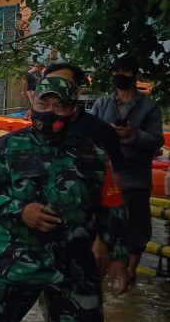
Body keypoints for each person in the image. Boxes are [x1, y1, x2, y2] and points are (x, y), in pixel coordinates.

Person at [0, 77, 130, 322]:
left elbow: (111, 206)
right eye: (44, 103)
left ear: (73, 110)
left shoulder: (93, 153)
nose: (50, 111)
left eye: (60, 105)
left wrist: (118, 257)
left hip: (74, 269)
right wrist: (19, 210)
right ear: (33, 103)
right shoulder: (7, 147)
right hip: (13, 263)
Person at [43, 63, 128, 276]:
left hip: (82, 243)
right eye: (52, 84)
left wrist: (103, 241)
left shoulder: (99, 132)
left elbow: (113, 191)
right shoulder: (36, 131)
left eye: (65, 84)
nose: (58, 88)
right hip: (38, 246)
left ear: (78, 91)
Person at [90, 56, 165, 280]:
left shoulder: (149, 108)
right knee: (100, 225)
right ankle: (101, 269)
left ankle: (131, 272)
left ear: (135, 75)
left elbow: (156, 140)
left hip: (135, 178)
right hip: (105, 176)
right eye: (116, 71)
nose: (119, 76)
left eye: (125, 71)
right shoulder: (102, 104)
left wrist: (133, 135)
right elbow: (89, 136)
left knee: (136, 228)